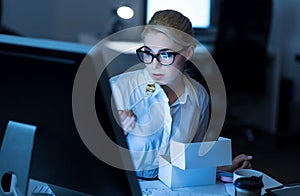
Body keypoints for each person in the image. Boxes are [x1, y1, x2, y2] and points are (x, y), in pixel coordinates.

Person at [109, 9, 252, 179]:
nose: (154, 65)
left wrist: (221, 168)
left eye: (165, 55)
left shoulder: (198, 97)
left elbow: (191, 161)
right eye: (148, 53)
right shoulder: (118, 89)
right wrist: (114, 130)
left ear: (188, 52)